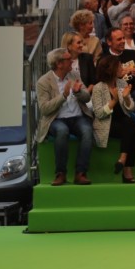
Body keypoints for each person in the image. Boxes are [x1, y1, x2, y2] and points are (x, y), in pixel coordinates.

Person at [35, 47, 94, 186]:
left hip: (77, 116)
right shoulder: (43, 82)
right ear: (59, 63)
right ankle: (60, 173)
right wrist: (63, 96)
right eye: (68, 59)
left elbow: (86, 97)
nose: (72, 61)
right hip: (56, 119)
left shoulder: (74, 74)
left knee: (87, 130)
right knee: (62, 131)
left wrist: (78, 92)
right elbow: (44, 109)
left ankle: (81, 173)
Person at [89, 55, 135, 183]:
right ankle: (127, 169)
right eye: (119, 66)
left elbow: (132, 108)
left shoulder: (122, 83)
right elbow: (99, 114)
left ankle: (123, 159)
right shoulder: (98, 88)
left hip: (123, 122)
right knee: (133, 128)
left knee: (131, 124)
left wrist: (127, 98)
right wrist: (114, 101)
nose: (122, 68)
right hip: (106, 124)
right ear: (111, 69)